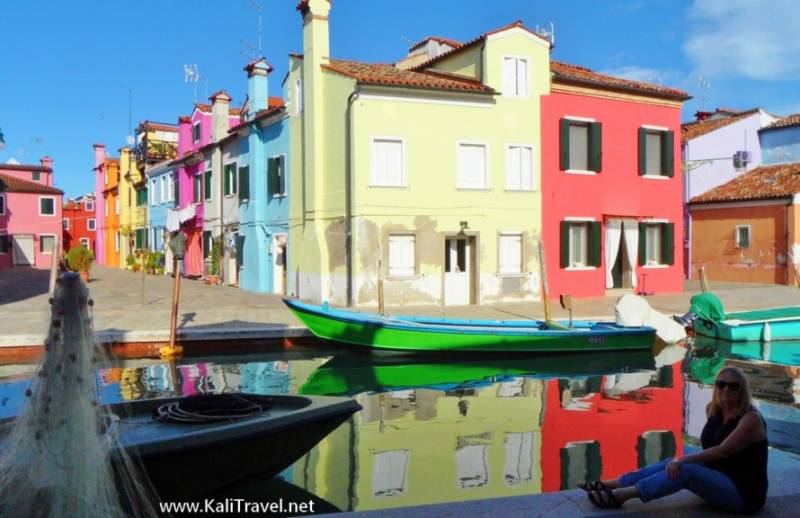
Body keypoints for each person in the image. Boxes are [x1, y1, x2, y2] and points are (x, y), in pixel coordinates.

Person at [582, 365, 768, 513]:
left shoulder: (750, 419)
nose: (726, 389)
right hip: (718, 476)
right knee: (672, 462)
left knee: (683, 468)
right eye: (721, 384)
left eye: (733, 386)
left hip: (743, 494)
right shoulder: (714, 409)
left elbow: (723, 450)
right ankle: (614, 483)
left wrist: (683, 460)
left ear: (742, 390)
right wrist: (679, 461)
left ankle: (622, 495)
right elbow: (712, 448)